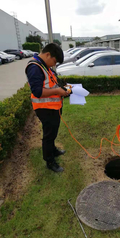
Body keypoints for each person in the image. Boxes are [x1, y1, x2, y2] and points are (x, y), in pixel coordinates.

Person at [25, 43, 70, 172]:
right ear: (47, 54)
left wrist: (63, 88)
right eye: (54, 61)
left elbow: (51, 83)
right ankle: (49, 161)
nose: (54, 65)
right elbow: (38, 92)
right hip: (45, 109)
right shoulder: (34, 67)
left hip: (53, 107)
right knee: (49, 135)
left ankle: (53, 150)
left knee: (53, 132)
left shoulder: (44, 65)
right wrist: (58, 91)